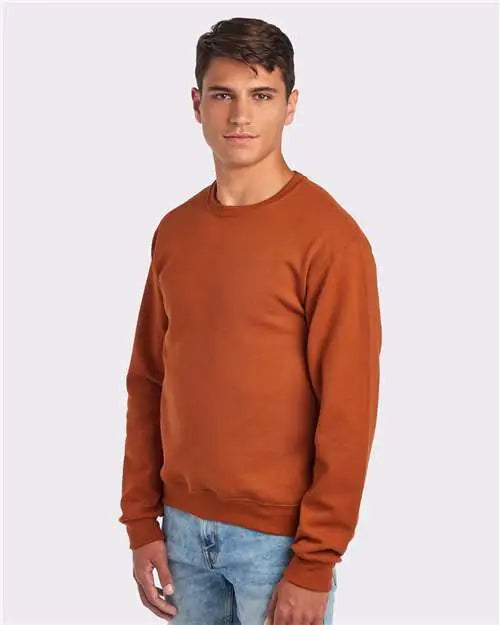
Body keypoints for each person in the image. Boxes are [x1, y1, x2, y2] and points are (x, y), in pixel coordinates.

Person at [118, 16, 382, 625]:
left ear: (291, 105)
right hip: (181, 531)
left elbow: (349, 410)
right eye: (223, 95)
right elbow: (149, 380)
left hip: (279, 543)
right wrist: (141, 522)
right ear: (197, 105)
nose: (240, 116)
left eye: (261, 95)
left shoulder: (331, 240)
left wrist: (314, 561)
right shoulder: (176, 232)